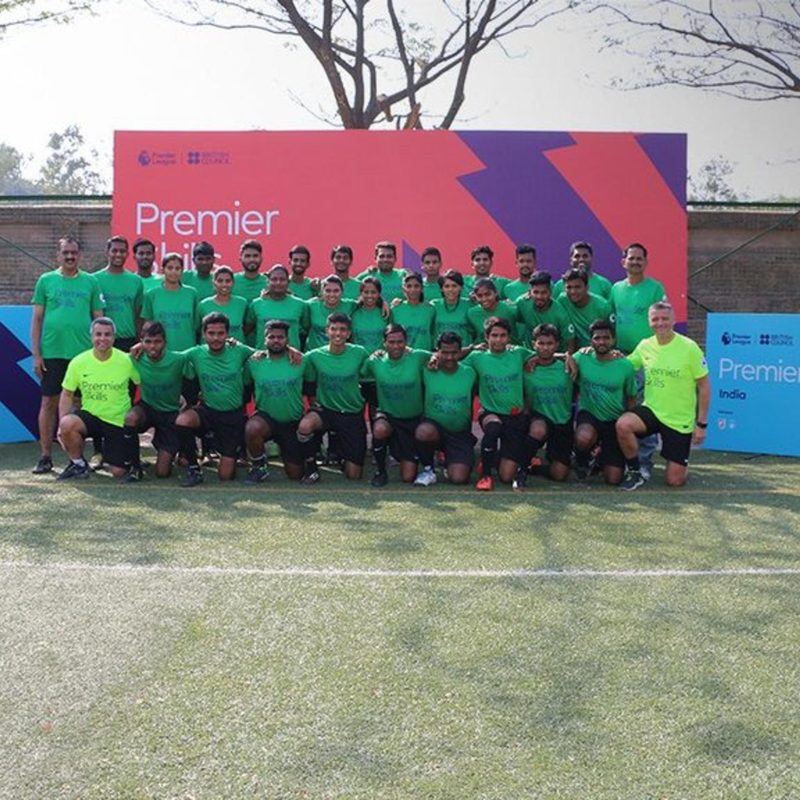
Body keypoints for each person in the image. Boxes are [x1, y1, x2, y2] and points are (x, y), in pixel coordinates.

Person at [616, 302, 710, 490]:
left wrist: (701, 425)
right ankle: (635, 472)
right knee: (623, 424)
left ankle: (680, 464)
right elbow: (624, 366)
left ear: (674, 320)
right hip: (652, 410)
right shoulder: (645, 345)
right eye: (655, 319)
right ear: (649, 322)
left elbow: (704, 387)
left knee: (675, 481)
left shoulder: (689, 348)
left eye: (665, 319)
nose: (660, 323)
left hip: (679, 419)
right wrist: (596, 354)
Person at [30, 236, 104, 474]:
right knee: (48, 403)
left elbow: (99, 319)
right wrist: (37, 355)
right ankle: (45, 456)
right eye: (66, 253)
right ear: (58, 255)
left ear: (79, 255)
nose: (70, 256)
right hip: (52, 354)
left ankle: (80, 458)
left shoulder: (91, 282)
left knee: (84, 405)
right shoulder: (46, 280)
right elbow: (37, 319)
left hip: (83, 357)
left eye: (74, 252)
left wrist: (99, 354)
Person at [56, 317, 141, 480]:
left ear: (114, 338)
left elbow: (141, 384)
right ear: (91, 337)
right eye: (98, 334)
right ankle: (78, 464)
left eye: (107, 334)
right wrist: (61, 425)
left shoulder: (127, 361)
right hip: (91, 417)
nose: (102, 338)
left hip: (117, 420)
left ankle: (111, 455)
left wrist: (138, 411)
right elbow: (67, 394)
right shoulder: (78, 362)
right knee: (67, 424)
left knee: (119, 472)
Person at [175, 312, 255, 486]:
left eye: (220, 333)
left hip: (233, 416)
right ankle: (194, 469)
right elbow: (169, 357)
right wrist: (141, 346)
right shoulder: (196, 353)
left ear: (227, 334)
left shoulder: (239, 350)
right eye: (211, 333)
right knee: (183, 421)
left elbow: (266, 355)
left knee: (225, 476)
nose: (216, 338)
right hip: (208, 411)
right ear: (204, 334)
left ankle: (231, 452)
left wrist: (290, 350)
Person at [610, 242, 667, 479]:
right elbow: (610, 322)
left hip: (647, 359)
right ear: (623, 262)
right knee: (622, 408)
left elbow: (664, 321)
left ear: (645, 262)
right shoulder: (615, 289)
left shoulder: (655, 288)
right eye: (631, 258)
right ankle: (623, 459)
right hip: (621, 358)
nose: (634, 262)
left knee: (645, 409)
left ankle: (644, 462)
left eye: (639, 258)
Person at [297, 313, 370, 482]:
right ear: (327, 331)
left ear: (349, 333)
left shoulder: (360, 353)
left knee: (354, 475)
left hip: (351, 413)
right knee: (305, 425)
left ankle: (343, 457)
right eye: (334, 329)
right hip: (326, 410)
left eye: (343, 330)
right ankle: (311, 467)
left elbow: (371, 371)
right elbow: (296, 362)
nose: (338, 333)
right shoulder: (314, 355)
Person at [463, 317, 532, 490]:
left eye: (503, 335)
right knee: (493, 427)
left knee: (506, 476)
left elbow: (544, 354)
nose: (498, 340)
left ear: (509, 337)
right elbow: (450, 360)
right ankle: (485, 475)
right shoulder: (476, 357)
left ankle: (492, 458)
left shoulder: (519, 353)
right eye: (494, 335)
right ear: (486, 337)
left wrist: (566, 356)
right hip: (489, 412)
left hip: (515, 416)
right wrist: (470, 348)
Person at [362, 323, 430, 487]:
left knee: (408, 477)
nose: (396, 346)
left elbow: (444, 356)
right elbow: (360, 373)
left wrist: (472, 348)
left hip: (412, 420)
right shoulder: (375, 361)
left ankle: (407, 456)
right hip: (389, 417)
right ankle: (380, 471)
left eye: (400, 342)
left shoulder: (418, 356)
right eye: (391, 342)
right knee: (379, 429)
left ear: (406, 342)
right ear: (384, 343)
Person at [572, 319, 637, 485]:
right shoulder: (581, 357)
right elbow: (558, 359)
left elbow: (631, 397)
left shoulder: (625, 365)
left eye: (606, 338)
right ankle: (582, 461)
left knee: (613, 479)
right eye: (597, 338)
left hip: (614, 420)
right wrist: (532, 360)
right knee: (583, 438)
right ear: (591, 341)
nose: (601, 342)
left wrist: (627, 425)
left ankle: (600, 456)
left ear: (613, 340)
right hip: (590, 414)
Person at [243, 320, 306, 482]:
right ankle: (259, 466)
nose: (276, 340)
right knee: (252, 428)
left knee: (296, 475)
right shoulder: (254, 361)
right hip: (267, 419)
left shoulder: (300, 360)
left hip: (292, 421)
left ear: (287, 340)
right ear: (265, 339)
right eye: (271, 337)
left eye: (280, 337)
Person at [125, 321, 188, 479]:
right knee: (130, 418)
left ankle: (174, 446)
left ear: (165, 342)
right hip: (147, 408)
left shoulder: (178, 359)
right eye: (148, 342)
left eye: (157, 341)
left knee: (162, 473)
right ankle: (135, 466)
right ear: (141, 342)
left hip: (170, 413)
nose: (152, 346)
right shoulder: (135, 358)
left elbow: (201, 354)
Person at [414, 331, 477, 486]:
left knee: (459, 479)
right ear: (438, 351)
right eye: (445, 352)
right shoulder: (427, 370)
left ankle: (450, 462)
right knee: (424, 432)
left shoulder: (470, 372)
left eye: (454, 353)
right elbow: (406, 353)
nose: (449, 357)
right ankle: (428, 469)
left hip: (459, 434)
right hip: (435, 429)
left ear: (460, 351)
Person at [519, 323, 575, 487]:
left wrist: (566, 356)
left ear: (557, 345)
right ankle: (521, 471)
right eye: (541, 343)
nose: (545, 348)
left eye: (549, 343)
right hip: (537, 417)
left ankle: (535, 467)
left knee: (559, 475)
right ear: (533, 344)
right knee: (538, 429)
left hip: (562, 421)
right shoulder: (526, 367)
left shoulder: (569, 366)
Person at [140, 253, 200, 407]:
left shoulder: (192, 293)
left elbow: (197, 325)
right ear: (162, 270)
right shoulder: (152, 295)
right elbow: (147, 327)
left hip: (186, 354)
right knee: (162, 402)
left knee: (188, 402)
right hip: (161, 356)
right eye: (170, 268)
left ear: (182, 271)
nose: (174, 272)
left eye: (178, 268)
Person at [247, 264, 309, 350]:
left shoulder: (300, 304)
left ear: (288, 282)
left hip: (292, 357)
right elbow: (247, 330)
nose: (278, 283)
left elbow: (308, 329)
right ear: (267, 282)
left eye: (282, 279)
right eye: (274, 279)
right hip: (264, 356)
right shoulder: (256, 304)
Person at [515, 271, 576, 353]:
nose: (539, 296)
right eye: (536, 292)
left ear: (550, 292)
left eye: (544, 292)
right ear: (529, 292)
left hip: (554, 356)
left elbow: (570, 342)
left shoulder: (561, 314)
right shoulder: (522, 303)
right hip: (529, 354)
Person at [556, 267, 614, 348]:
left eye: (577, 287)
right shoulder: (562, 300)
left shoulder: (603, 307)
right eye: (569, 287)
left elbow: (612, 336)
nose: (573, 291)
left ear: (587, 287)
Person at [305, 274, 356, 351]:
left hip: (338, 353)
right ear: (322, 292)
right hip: (314, 353)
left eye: (336, 291)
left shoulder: (350, 305)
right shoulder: (311, 305)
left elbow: (366, 301)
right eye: (328, 291)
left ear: (342, 292)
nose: (332, 294)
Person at [199, 265, 249, 342]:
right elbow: (197, 329)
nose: (224, 284)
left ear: (233, 283)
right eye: (220, 281)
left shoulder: (242, 303)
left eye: (228, 281)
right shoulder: (203, 305)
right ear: (214, 283)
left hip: (236, 348)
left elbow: (248, 327)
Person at [466, 277, 518, 344]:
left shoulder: (510, 309)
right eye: (479, 296)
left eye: (488, 294)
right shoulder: (471, 313)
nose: (484, 299)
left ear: (495, 293)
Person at [391, 272, 435, 350]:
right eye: (409, 286)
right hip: (402, 355)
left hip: (424, 355)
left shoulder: (430, 310)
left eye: (416, 286)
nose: (413, 289)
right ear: (404, 289)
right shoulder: (395, 309)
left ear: (422, 288)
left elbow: (433, 333)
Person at [431, 269, 471, 345]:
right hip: (440, 350)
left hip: (464, 350)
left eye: (454, 286)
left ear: (461, 288)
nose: (451, 289)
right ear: (441, 289)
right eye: (447, 286)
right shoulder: (434, 305)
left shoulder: (470, 305)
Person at [232, 239, 267, 306]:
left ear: (261, 258)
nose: (252, 259)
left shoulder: (269, 283)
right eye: (247, 256)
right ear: (240, 258)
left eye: (255, 256)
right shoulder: (231, 281)